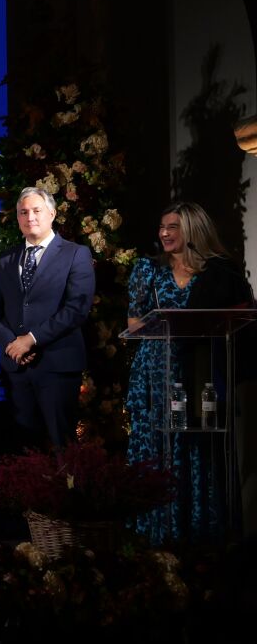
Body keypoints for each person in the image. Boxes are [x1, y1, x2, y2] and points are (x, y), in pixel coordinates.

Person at [125, 201, 251, 544]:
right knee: (157, 447)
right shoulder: (148, 270)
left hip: (199, 371)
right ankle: (156, 535)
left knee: (197, 447)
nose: (164, 233)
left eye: (173, 227)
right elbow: (133, 322)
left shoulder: (217, 272)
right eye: (162, 227)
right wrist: (162, 323)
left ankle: (199, 534)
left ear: (193, 230)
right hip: (155, 372)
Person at [0, 187, 95, 449]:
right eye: (23, 212)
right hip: (17, 368)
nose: (30, 217)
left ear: (52, 214)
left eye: (36, 210)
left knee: (62, 446)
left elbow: (77, 308)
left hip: (57, 364)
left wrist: (31, 339)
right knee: (24, 450)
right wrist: (12, 344)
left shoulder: (76, 254)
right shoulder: (6, 259)